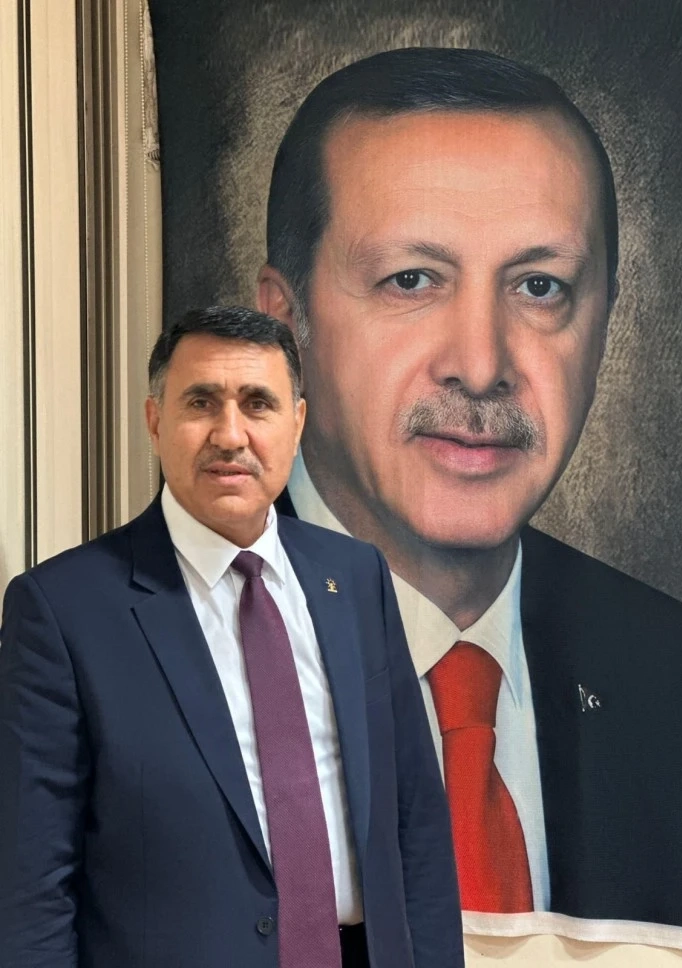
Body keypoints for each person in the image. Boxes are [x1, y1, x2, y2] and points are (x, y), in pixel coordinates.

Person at [256, 47, 682, 945]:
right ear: (283, 328)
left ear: (605, 325)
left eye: (540, 287)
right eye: (411, 280)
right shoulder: (111, 667)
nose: (480, 364)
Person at [0, 307, 464, 968]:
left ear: (296, 424)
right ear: (155, 421)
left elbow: (415, 818)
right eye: (200, 403)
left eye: (257, 404)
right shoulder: (63, 610)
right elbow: (32, 884)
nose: (230, 434)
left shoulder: (355, 577)